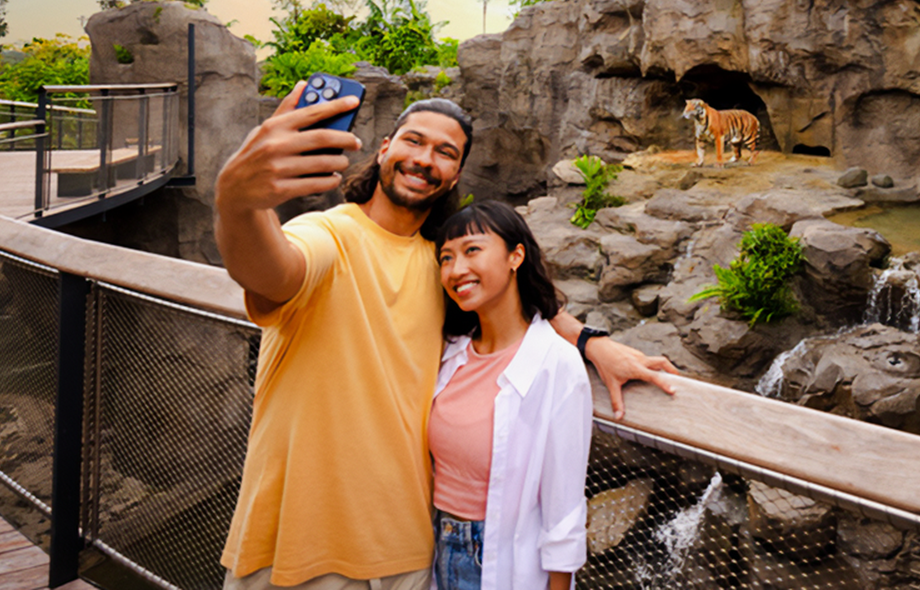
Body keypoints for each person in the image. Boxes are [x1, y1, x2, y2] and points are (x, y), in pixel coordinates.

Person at [215, 86, 677, 590]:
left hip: (408, 556)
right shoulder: (329, 234)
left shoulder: (440, 265)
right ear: (385, 147)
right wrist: (239, 204)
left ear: (455, 174)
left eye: (445, 152)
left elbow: (513, 301)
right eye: (414, 142)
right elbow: (273, 271)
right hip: (303, 552)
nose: (424, 159)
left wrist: (591, 342)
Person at [429, 200, 590, 590]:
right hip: (431, 546)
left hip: (495, 558)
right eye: (446, 258)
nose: (456, 270)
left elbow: (564, 506)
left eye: (472, 251)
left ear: (516, 256)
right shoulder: (448, 351)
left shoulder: (557, 364)